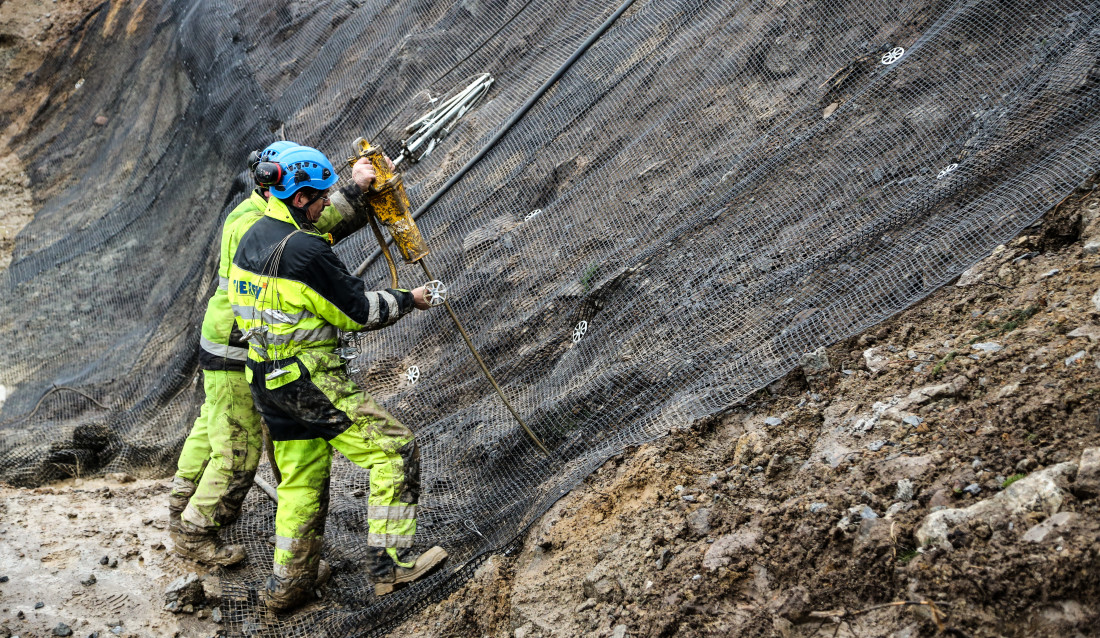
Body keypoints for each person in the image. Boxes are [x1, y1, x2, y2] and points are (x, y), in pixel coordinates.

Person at [227, 144, 447, 611]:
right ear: (300, 197)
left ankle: (288, 585)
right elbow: (360, 312)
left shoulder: (253, 234)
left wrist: (358, 190)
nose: (328, 203)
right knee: (394, 449)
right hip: (309, 378)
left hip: (266, 378)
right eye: (322, 196)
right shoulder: (306, 252)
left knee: (301, 481)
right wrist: (412, 298)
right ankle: (392, 565)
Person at [169, 141, 377, 566]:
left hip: (231, 338)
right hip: (237, 345)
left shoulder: (255, 211)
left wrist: (355, 190)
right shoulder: (254, 223)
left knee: (214, 423)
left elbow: (315, 222)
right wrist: (353, 192)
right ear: (275, 187)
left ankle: (182, 503)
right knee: (238, 447)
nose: (309, 204)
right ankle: (194, 529)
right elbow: (312, 234)